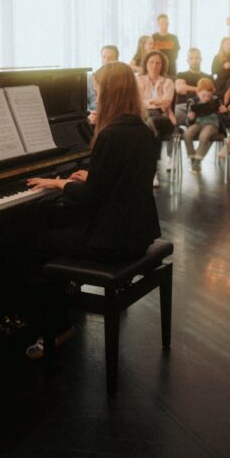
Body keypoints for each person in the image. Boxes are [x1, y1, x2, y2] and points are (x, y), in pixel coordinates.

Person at [26, 62, 160, 354]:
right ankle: (68, 292)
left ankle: (58, 326)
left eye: (98, 91)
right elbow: (123, 180)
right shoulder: (143, 129)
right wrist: (92, 177)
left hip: (114, 242)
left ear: (109, 94)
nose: (95, 98)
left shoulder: (111, 134)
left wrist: (59, 184)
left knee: (34, 243)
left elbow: (90, 198)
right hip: (139, 233)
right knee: (58, 229)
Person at [136, 50, 176, 187]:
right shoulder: (139, 79)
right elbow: (138, 101)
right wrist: (155, 102)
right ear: (146, 64)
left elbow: (166, 103)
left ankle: (151, 173)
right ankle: (153, 172)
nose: (154, 65)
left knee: (152, 123)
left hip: (164, 118)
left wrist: (151, 102)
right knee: (153, 129)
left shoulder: (168, 82)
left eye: (158, 63)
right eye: (151, 62)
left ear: (162, 65)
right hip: (145, 117)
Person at [184, 78, 223, 173]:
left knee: (204, 136)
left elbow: (223, 116)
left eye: (209, 96)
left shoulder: (216, 101)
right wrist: (191, 118)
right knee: (187, 134)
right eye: (203, 95)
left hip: (212, 124)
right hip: (198, 122)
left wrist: (223, 110)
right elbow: (188, 121)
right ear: (198, 93)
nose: (206, 98)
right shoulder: (193, 102)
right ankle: (192, 157)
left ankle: (197, 161)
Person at [174, 48, 212, 125]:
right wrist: (201, 89)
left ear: (201, 59)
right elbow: (180, 89)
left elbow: (212, 92)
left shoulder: (208, 77)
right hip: (183, 106)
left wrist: (188, 88)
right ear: (187, 60)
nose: (194, 61)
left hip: (203, 106)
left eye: (197, 58)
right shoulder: (181, 74)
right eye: (191, 58)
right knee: (176, 111)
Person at [87, 45, 119, 111]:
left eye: (110, 58)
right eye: (103, 57)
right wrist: (90, 114)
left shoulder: (120, 79)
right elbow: (84, 103)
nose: (106, 61)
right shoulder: (91, 78)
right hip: (93, 114)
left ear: (116, 60)